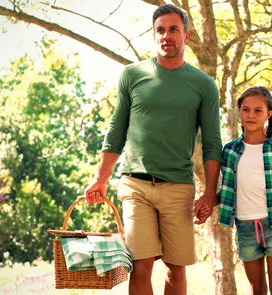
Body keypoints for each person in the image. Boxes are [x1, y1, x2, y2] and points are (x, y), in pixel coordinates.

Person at [83, 4, 222, 295]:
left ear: (186, 34)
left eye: (173, 29)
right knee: (140, 264)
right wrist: (101, 179)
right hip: (135, 185)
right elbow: (116, 131)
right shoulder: (132, 75)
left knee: (175, 268)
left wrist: (209, 192)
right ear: (153, 34)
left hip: (178, 186)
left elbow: (212, 144)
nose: (166, 35)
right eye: (160, 30)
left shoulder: (203, 84)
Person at [218, 86, 272, 295]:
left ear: (268, 114)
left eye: (257, 111)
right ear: (239, 112)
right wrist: (206, 201)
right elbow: (227, 191)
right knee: (257, 289)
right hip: (245, 227)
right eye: (246, 110)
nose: (251, 115)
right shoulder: (230, 151)